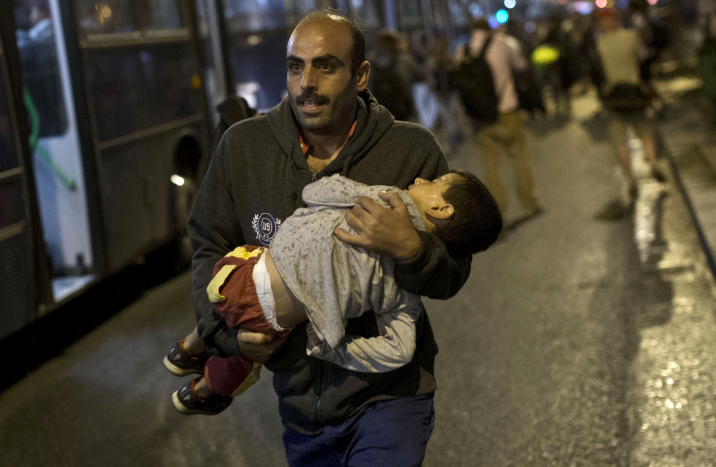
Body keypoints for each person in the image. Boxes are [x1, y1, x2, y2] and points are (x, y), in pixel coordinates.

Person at [186, 8, 473, 465]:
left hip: (390, 398)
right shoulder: (244, 147)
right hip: (299, 408)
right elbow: (209, 246)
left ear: (360, 75)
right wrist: (228, 339)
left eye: (325, 65)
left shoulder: (411, 150)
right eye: (295, 66)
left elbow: (453, 273)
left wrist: (413, 250)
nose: (306, 83)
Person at [167, 171, 501, 414]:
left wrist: (349, 187)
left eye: (436, 183)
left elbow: (317, 191)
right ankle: (204, 389)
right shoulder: (402, 290)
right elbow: (400, 348)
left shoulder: (385, 197)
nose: (421, 180)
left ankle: (188, 351)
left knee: (229, 293)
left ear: (442, 210)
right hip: (273, 322)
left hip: (244, 272)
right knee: (243, 353)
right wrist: (332, 346)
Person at [456, 18, 541, 221]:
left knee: (491, 165)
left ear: (471, 29)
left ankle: (498, 210)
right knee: (518, 157)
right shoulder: (501, 43)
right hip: (506, 111)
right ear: (489, 29)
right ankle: (529, 202)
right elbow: (520, 64)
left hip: (480, 118)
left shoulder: (462, 51)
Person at [595, 7, 665, 204]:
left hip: (613, 97)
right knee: (645, 131)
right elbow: (642, 60)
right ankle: (653, 165)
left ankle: (632, 182)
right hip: (635, 94)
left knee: (619, 142)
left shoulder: (600, 44)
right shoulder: (632, 37)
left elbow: (597, 72)